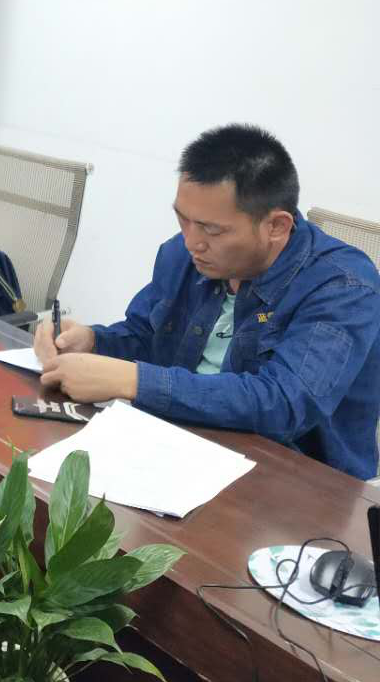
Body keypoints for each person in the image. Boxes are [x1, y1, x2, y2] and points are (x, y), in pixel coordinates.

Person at [35, 124, 380, 480]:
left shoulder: (344, 287)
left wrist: (134, 380)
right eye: (183, 220)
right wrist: (93, 340)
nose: (191, 242)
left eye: (212, 230)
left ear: (276, 226)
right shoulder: (186, 255)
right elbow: (147, 333)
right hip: (177, 448)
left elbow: (284, 403)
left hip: (294, 482)